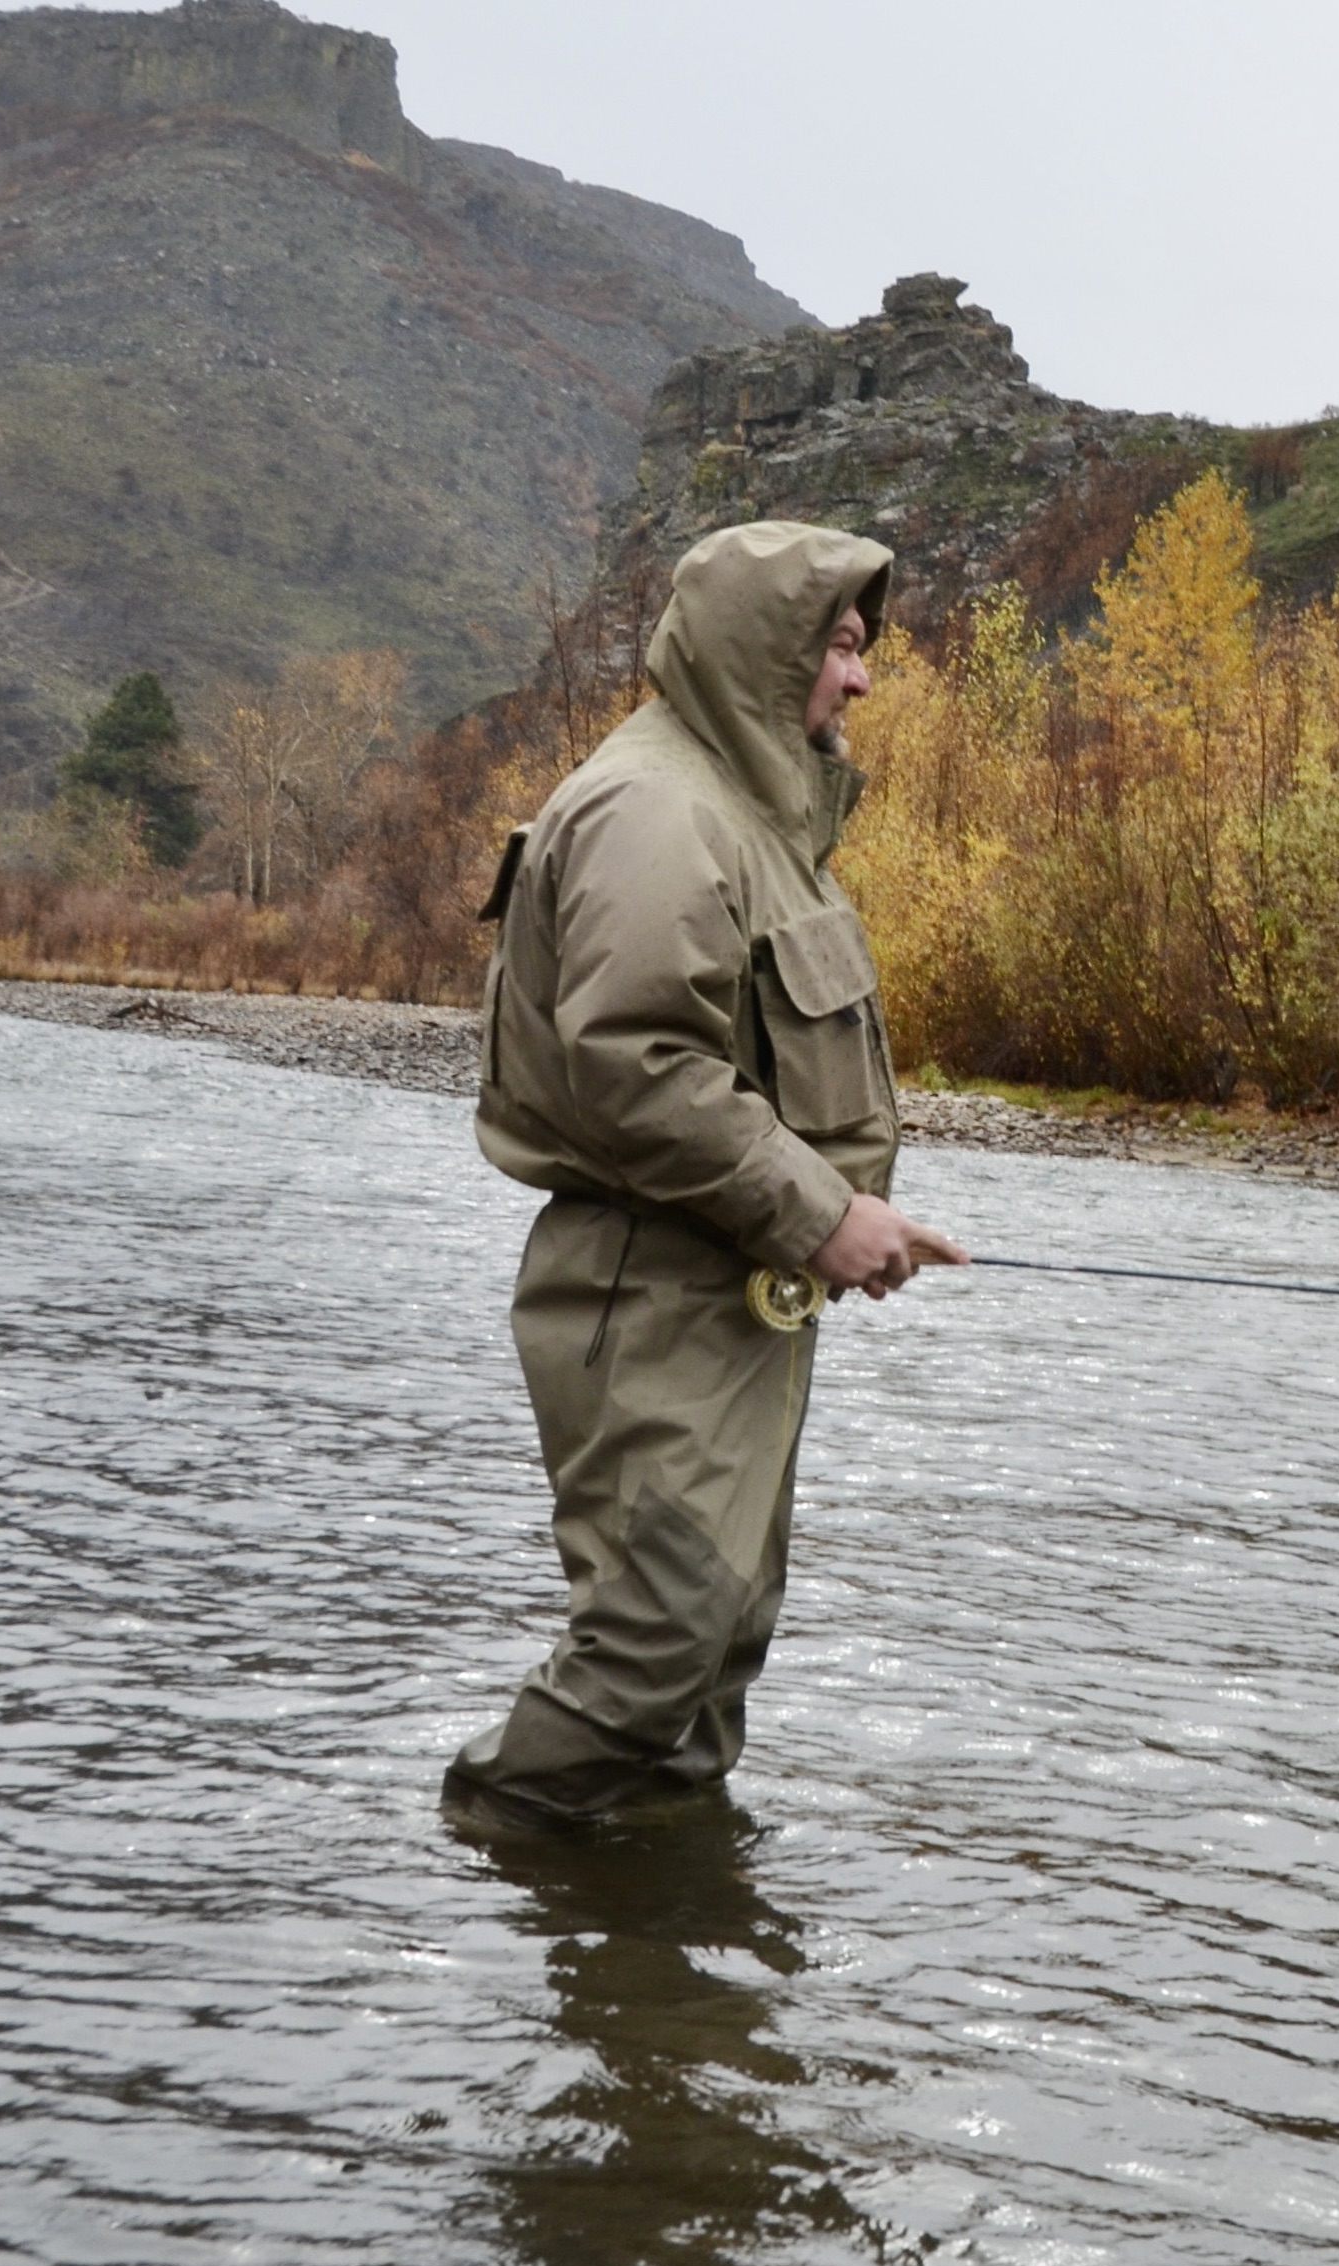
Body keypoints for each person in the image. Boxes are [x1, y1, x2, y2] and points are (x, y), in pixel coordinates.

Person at [445, 519, 964, 1826]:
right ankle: (483, 1865)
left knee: (714, 1652)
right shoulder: (658, 811)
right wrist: (821, 1210)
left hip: (734, 1291)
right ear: (765, 647)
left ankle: (649, 1975)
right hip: (651, 1285)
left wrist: (840, 1218)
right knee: (652, 1647)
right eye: (840, 647)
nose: (859, 678)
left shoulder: (744, 815)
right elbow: (632, 1062)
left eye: (861, 650)